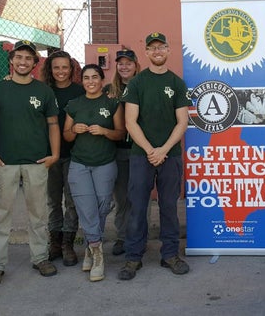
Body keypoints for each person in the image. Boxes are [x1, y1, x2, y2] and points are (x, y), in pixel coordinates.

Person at [0, 40, 60, 287]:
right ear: (12, 60)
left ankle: (40, 257)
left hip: (37, 162)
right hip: (5, 163)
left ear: (35, 63)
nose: (23, 62)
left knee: (38, 214)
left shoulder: (44, 91)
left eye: (28, 58)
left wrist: (55, 155)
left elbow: (53, 125)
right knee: (1, 215)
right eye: (19, 57)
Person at [118, 32, 192, 280]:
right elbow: (130, 122)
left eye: (162, 47)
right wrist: (151, 150)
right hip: (142, 155)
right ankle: (133, 257)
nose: (157, 51)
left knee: (169, 206)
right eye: (152, 48)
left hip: (170, 155)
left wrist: (163, 150)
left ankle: (170, 254)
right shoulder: (137, 83)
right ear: (146, 52)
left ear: (168, 50)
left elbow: (182, 122)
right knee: (138, 207)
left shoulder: (177, 83)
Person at [63, 64, 126, 282]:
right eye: (86, 77)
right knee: (86, 206)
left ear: (101, 79)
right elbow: (67, 136)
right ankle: (97, 252)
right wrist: (73, 130)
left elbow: (120, 134)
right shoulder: (75, 104)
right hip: (80, 163)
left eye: (95, 77)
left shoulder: (111, 103)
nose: (91, 81)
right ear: (82, 81)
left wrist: (105, 131)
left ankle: (90, 248)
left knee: (102, 205)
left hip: (105, 162)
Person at [42, 50, 84, 266]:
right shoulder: (43, 91)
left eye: (64, 67)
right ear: (50, 69)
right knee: (52, 201)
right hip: (48, 156)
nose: (60, 71)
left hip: (74, 154)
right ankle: (54, 242)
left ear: (71, 69)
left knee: (71, 200)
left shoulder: (79, 91)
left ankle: (68, 242)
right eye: (56, 67)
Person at [103, 48, 141, 256]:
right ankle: (122, 237)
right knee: (122, 197)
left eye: (129, 62)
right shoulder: (109, 90)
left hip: (139, 150)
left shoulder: (144, 86)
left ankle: (138, 236)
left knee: (139, 196)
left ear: (136, 65)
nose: (124, 66)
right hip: (117, 151)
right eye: (121, 63)